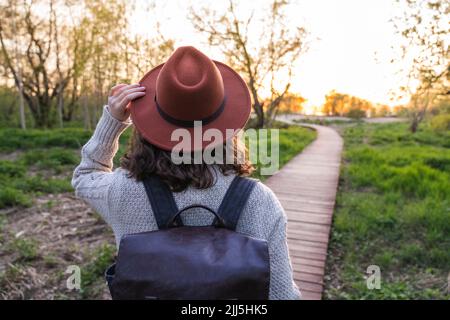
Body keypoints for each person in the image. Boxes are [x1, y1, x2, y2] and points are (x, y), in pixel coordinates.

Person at [72, 46, 301, 300]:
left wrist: (112, 121)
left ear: (150, 124)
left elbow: (86, 177)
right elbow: (283, 296)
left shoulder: (122, 190)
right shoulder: (260, 201)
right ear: (228, 129)